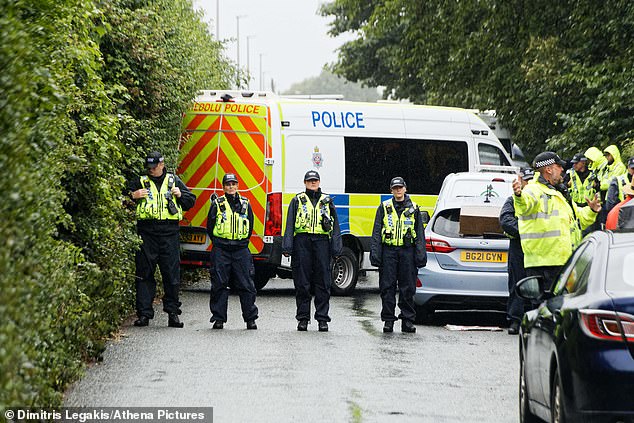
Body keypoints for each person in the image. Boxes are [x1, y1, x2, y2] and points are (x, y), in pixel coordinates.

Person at [512, 152, 601, 293]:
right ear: (549, 169)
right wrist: (518, 196)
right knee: (546, 309)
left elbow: (578, 220)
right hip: (543, 266)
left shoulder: (558, 193)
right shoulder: (533, 190)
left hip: (564, 263)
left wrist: (592, 210)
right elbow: (525, 205)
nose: (562, 171)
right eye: (559, 167)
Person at [128, 151, 196, 328]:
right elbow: (120, 199)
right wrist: (132, 196)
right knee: (144, 274)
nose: (151, 170)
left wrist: (180, 194)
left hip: (169, 233)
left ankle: (173, 313)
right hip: (146, 233)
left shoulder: (173, 181)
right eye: (149, 167)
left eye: (154, 166)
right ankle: (144, 314)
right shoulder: (141, 182)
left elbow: (191, 201)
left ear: (162, 164)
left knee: (171, 275)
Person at [282, 170, 342, 332]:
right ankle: (303, 319)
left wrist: (336, 248)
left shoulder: (327, 201)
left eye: (315, 180)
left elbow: (336, 227)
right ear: (305, 183)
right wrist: (287, 247)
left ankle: (322, 319)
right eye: (310, 181)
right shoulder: (297, 200)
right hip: (302, 242)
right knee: (302, 282)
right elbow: (289, 224)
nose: (313, 183)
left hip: (322, 242)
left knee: (323, 282)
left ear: (319, 182)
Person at [370, 177, 427, 333]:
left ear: (405, 189)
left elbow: (420, 236)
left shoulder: (414, 208)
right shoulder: (384, 207)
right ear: (391, 190)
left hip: (407, 251)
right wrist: (376, 254)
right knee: (387, 287)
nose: (398, 190)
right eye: (395, 188)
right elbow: (376, 232)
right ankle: (388, 320)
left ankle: (407, 320)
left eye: (400, 187)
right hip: (389, 251)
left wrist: (421, 256)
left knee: (408, 287)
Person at [206, 173, 258, 330]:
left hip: (241, 249)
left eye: (233, 184)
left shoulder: (245, 204)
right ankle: (219, 318)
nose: (231, 187)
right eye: (228, 184)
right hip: (221, 249)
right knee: (219, 284)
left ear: (237, 186)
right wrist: (219, 243)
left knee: (246, 284)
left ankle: (250, 319)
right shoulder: (217, 204)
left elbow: (250, 225)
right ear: (223, 187)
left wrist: (241, 242)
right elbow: (210, 226)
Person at [499, 167, 534, 335]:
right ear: (520, 180)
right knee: (516, 284)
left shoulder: (539, 199)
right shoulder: (512, 200)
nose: (529, 183)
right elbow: (505, 220)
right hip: (519, 246)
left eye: (531, 179)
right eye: (526, 180)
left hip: (537, 247)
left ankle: (535, 320)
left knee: (536, 284)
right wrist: (526, 231)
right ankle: (515, 320)